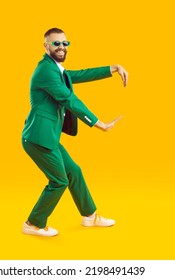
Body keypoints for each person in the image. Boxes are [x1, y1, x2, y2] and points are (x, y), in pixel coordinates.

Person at [21, 27, 128, 236]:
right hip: (38, 138)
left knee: (74, 172)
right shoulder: (45, 70)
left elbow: (79, 74)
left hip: (49, 137)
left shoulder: (56, 69)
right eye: (56, 43)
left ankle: (89, 216)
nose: (61, 47)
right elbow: (69, 100)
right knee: (59, 181)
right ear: (46, 46)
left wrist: (112, 68)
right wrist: (99, 123)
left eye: (64, 43)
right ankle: (33, 224)